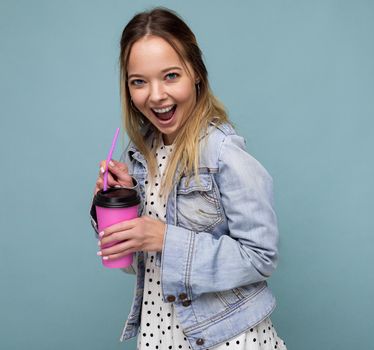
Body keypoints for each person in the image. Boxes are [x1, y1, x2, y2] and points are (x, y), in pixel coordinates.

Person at [89, 7, 287, 350]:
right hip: (159, 335)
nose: (156, 95)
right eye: (139, 81)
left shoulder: (224, 154)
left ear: (195, 72)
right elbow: (136, 266)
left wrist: (166, 239)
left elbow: (261, 257)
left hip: (227, 340)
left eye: (170, 76)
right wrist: (117, 201)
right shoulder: (138, 159)